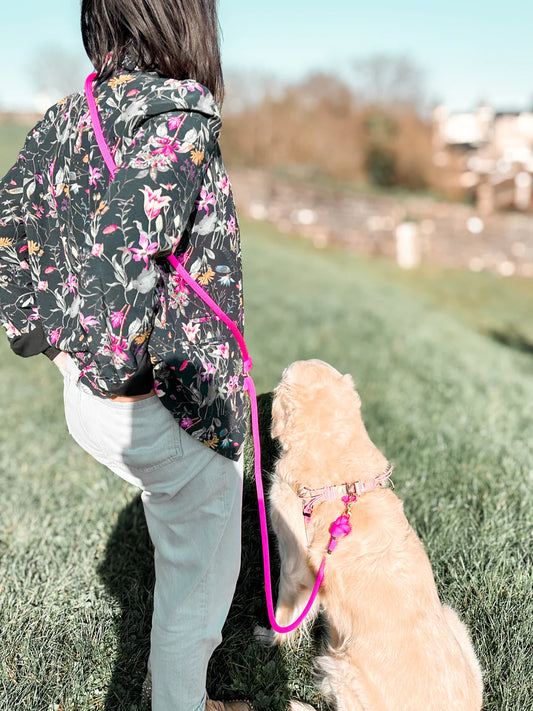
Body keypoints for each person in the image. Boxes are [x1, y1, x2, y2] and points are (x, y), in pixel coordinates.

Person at [0, 1, 252, 710]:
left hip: (87, 394)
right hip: (152, 401)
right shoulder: (176, 114)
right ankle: (178, 700)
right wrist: (118, 375)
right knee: (195, 591)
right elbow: (126, 255)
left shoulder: (65, 116)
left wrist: (38, 332)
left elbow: (6, 225)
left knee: (171, 525)